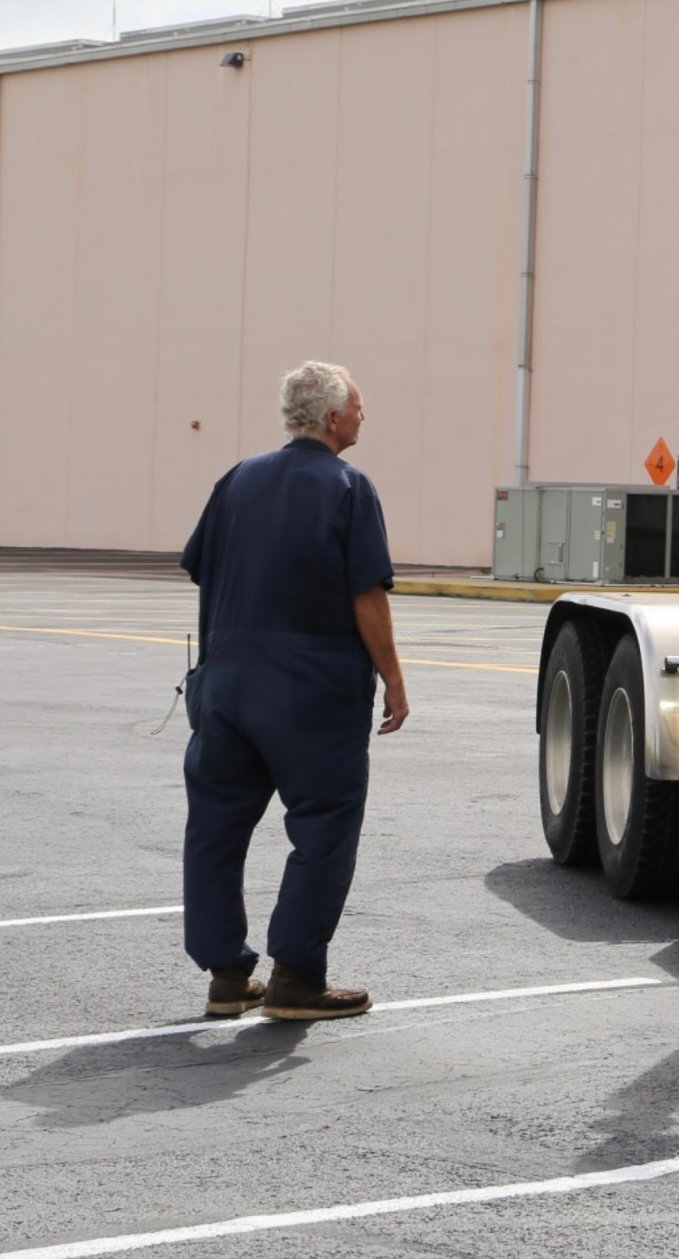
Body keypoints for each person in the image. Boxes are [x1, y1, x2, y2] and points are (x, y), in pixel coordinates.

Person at [179, 362, 409, 1022]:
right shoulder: (348, 487)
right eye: (359, 406)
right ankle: (296, 976)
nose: (365, 415)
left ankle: (226, 975)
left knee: (216, 828)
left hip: (225, 684)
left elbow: (203, 567)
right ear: (332, 418)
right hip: (310, 690)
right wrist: (394, 677)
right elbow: (367, 595)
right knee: (325, 826)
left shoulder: (236, 479)